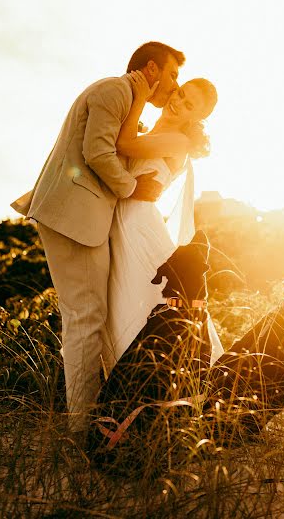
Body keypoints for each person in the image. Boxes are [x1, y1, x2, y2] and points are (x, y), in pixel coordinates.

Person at [11, 42, 185, 434]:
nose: (175, 86)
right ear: (152, 68)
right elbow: (97, 153)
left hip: (85, 219)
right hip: (74, 218)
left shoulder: (128, 102)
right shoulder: (114, 91)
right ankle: (83, 427)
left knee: (92, 316)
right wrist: (132, 187)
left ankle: (100, 412)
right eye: (173, 74)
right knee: (85, 318)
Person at [101, 71, 224, 378]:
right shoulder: (151, 130)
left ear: (199, 116)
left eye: (190, 104)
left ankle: (156, 380)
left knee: (139, 299)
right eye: (180, 93)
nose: (178, 102)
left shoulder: (178, 142)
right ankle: (125, 385)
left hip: (138, 226)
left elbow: (124, 145)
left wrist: (140, 98)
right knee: (120, 299)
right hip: (120, 221)